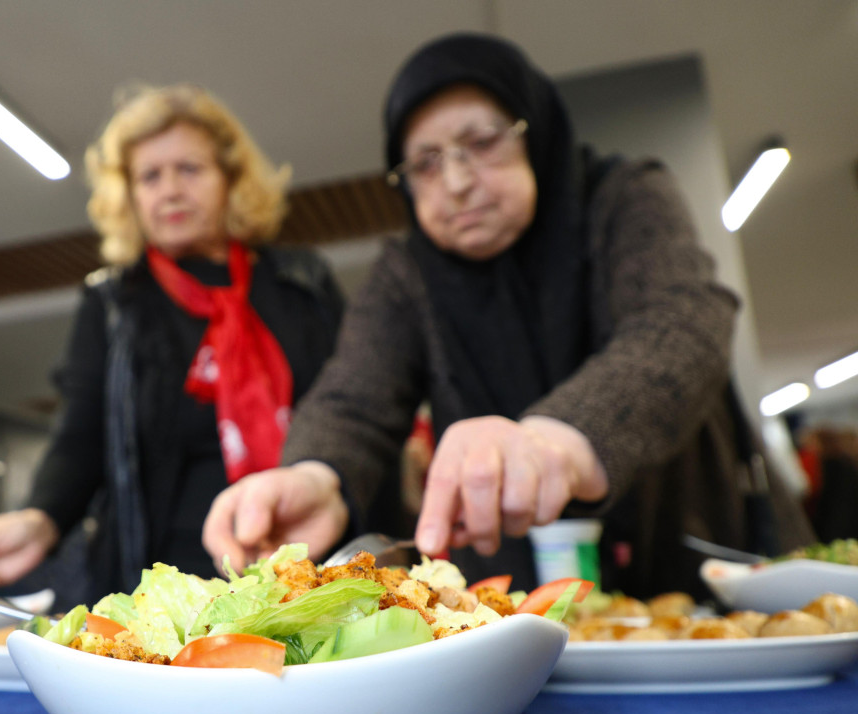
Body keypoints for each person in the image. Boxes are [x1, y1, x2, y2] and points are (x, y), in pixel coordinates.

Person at [203, 33, 816, 599]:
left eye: (481, 142)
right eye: (426, 162)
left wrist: (556, 440)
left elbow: (683, 325)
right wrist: (317, 473)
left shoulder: (623, 196)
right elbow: (353, 398)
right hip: (517, 592)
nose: (458, 181)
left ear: (536, 134)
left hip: (688, 541)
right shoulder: (406, 270)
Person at [0, 85, 346, 601]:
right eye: (149, 176)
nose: (169, 189)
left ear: (230, 179)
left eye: (189, 169)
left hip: (302, 564)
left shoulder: (301, 283)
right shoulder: (112, 302)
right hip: (162, 580)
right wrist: (42, 517)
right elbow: (80, 435)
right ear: (130, 195)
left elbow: (347, 412)